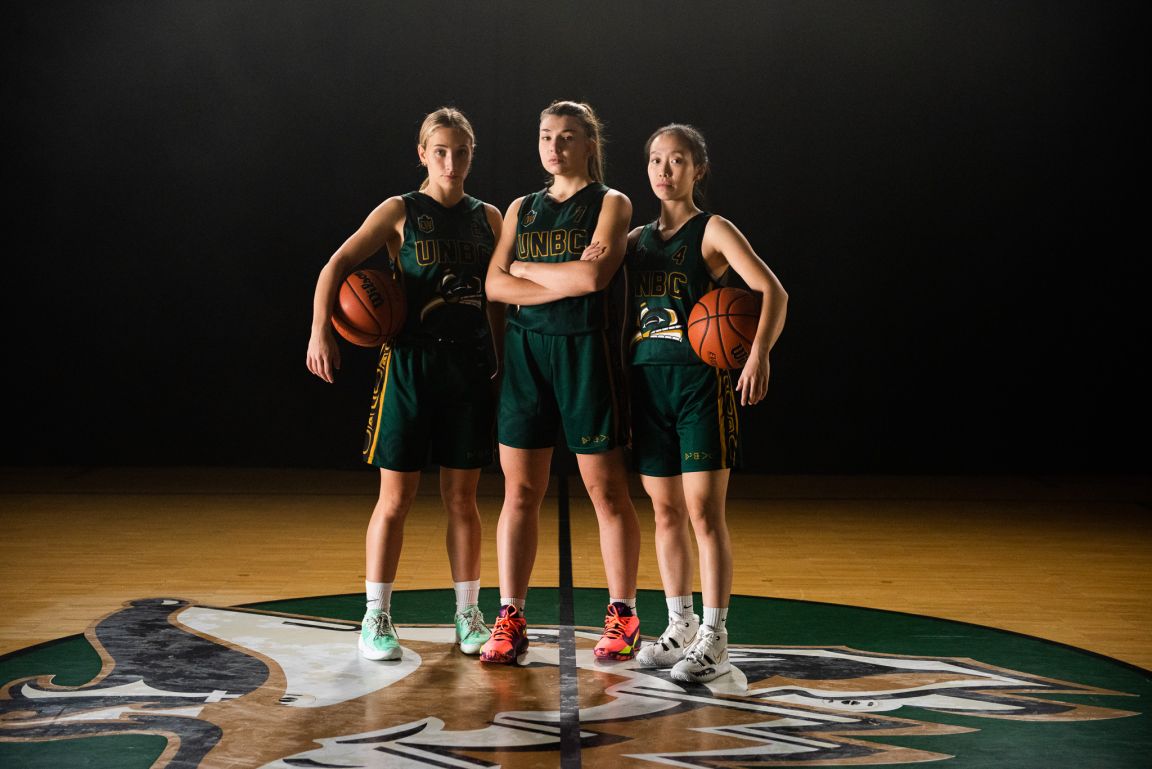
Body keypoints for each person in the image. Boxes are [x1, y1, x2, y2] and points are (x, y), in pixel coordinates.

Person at [305, 107, 504, 661]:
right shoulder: (400, 211)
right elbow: (336, 265)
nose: (451, 161)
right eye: (440, 151)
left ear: (471, 155)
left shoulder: (487, 218)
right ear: (422, 154)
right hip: (409, 365)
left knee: (462, 499)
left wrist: (501, 365)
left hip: (466, 365)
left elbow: (497, 302)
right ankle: (376, 618)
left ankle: (468, 615)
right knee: (396, 498)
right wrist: (321, 331)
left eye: (461, 152)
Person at [479, 100, 642, 665]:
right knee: (519, 492)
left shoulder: (612, 203)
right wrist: (555, 279)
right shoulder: (521, 207)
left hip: (586, 356)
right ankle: (509, 617)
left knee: (606, 491)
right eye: (546, 135)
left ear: (589, 145)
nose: (555, 146)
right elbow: (494, 287)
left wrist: (524, 270)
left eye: (568, 137)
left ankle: (623, 614)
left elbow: (595, 276)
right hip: (526, 357)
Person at [623, 123, 788, 683]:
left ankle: (716, 636)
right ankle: (681, 627)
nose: (664, 171)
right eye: (655, 161)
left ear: (699, 169)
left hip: (700, 386)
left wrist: (758, 353)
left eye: (677, 161)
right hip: (647, 385)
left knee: (702, 513)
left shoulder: (712, 231)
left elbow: (773, 291)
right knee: (664, 512)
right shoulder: (635, 240)